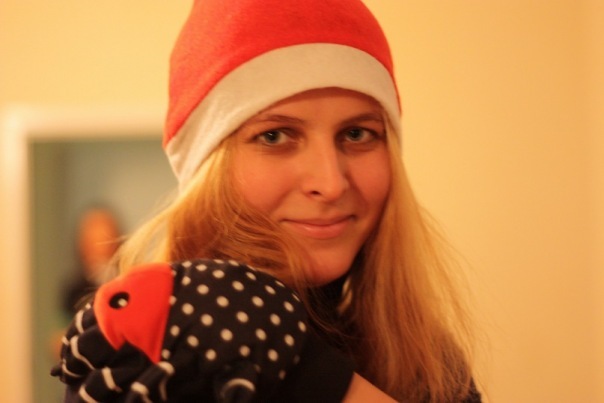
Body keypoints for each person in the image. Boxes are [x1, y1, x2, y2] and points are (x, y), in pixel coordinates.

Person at [52, 0, 481, 401]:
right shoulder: (156, 350)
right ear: (208, 168)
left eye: (357, 134)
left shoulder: (426, 360)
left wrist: (307, 368)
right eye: (274, 136)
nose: (331, 183)